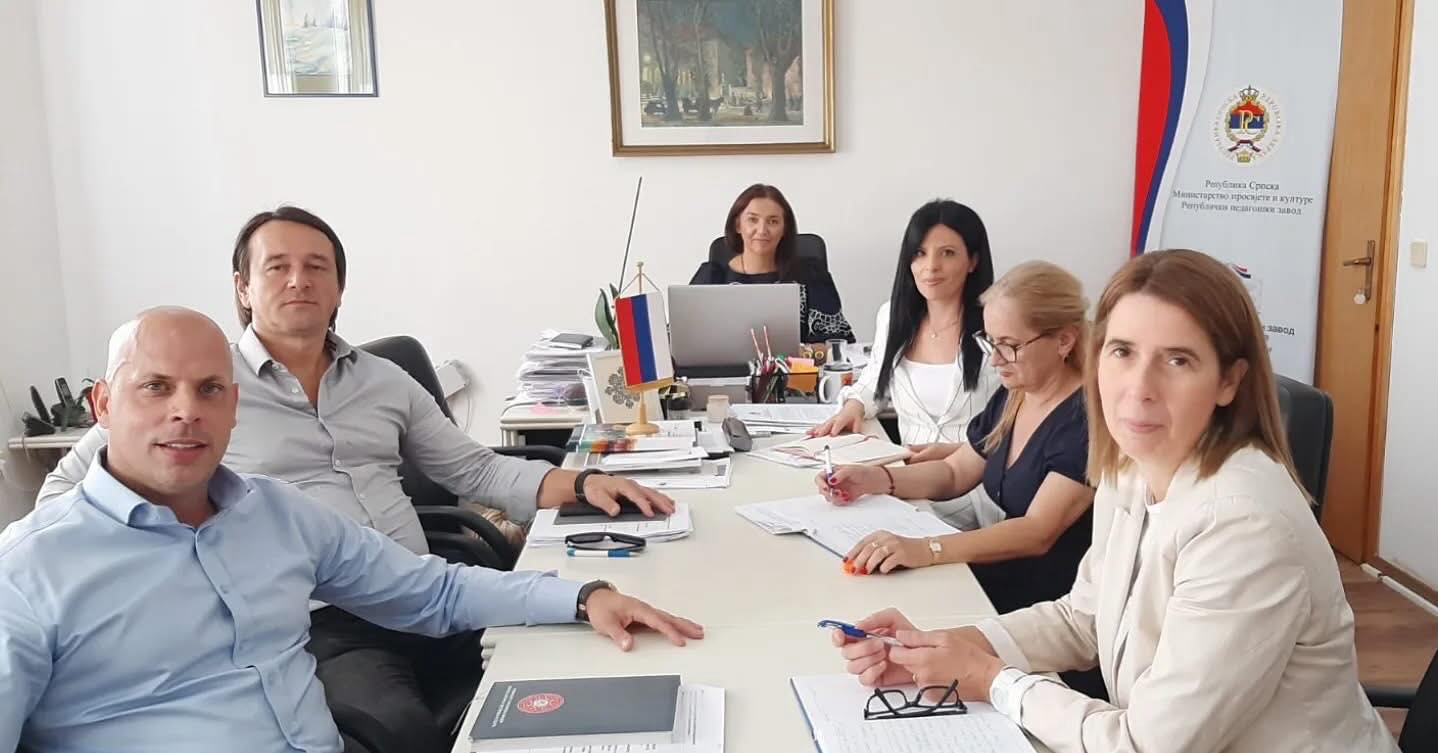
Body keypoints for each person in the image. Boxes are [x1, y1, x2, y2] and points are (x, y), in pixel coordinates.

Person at [35, 205, 677, 752]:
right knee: (399, 728)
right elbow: (68, 498)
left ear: (340, 288)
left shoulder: (379, 382)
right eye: (277, 267)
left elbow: (472, 467)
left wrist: (581, 486)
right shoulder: (200, 386)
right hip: (316, 616)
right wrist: (189, 563)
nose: (299, 280)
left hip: (411, 581)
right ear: (242, 287)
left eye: (317, 267)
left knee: (585, 670)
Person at [830, 250, 1398, 753]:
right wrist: (941, 649)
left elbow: (1151, 744)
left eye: (1178, 360)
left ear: (1230, 381)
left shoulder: (1244, 521)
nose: (1139, 387)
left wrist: (992, 680)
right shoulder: (1130, 467)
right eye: (1122, 351)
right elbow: (1083, 618)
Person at [816, 261, 1095, 615]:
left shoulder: (1084, 422)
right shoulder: (1017, 394)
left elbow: (1037, 531)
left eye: (1010, 346)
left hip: (1050, 603)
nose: (995, 360)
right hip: (1005, 576)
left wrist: (927, 549)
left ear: (1064, 341)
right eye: (991, 342)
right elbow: (955, 472)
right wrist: (873, 478)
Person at [808, 200, 1002, 527]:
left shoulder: (998, 323)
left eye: (948, 253)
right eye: (920, 253)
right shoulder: (894, 316)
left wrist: (960, 451)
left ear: (973, 261)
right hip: (910, 485)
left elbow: (1022, 423)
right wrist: (854, 406)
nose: (931, 267)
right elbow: (875, 381)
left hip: (977, 489)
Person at [688, 183, 854, 343]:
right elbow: (682, 339)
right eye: (753, 220)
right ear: (738, 225)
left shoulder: (811, 275)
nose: (762, 230)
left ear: (784, 229)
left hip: (797, 364)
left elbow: (839, 342)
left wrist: (801, 353)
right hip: (725, 364)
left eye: (773, 221)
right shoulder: (711, 279)